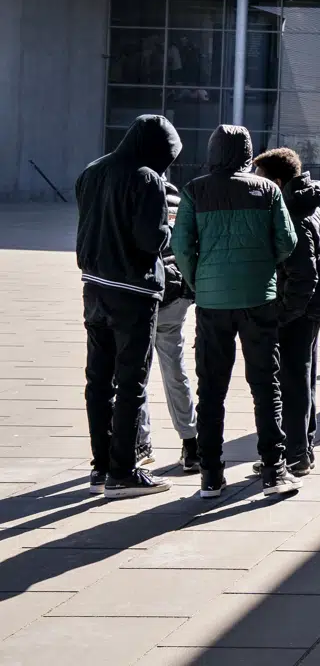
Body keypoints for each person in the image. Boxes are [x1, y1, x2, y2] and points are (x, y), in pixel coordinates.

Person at [173, 124, 300, 498]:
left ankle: (211, 475)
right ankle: (274, 470)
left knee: (211, 389)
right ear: (247, 153)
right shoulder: (267, 190)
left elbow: (182, 246)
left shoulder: (194, 190)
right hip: (258, 297)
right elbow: (287, 240)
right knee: (265, 384)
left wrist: (199, 281)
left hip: (212, 302)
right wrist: (263, 266)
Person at [75, 114, 182, 498]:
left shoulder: (92, 171)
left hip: (94, 286)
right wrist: (168, 228)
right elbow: (151, 239)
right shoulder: (147, 179)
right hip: (133, 291)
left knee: (98, 381)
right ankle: (123, 471)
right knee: (131, 381)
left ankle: (101, 466)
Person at [252, 148, 320, 478]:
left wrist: (283, 312)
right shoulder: (308, 204)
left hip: (298, 309)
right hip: (311, 306)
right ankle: (303, 449)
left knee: (293, 381)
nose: (256, 185)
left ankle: (296, 454)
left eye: (260, 179)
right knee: (303, 377)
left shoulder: (293, 211)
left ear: (276, 181)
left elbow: (303, 274)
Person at [135, 178, 200, 475]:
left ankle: (141, 443)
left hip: (143, 292)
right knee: (175, 369)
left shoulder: (134, 196)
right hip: (176, 291)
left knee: (135, 373)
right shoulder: (179, 199)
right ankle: (190, 443)